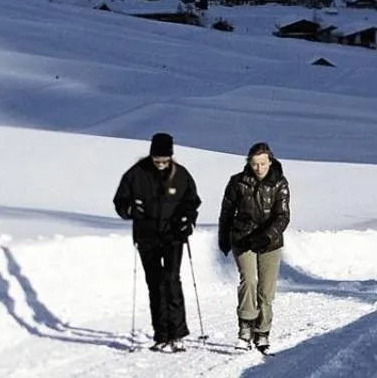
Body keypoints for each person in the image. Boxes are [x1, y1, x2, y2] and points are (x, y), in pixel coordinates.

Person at [113, 132, 200, 351]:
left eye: (164, 160)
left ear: (171, 156)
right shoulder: (136, 174)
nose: (161, 164)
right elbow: (120, 202)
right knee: (154, 283)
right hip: (147, 236)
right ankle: (161, 335)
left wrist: (187, 220)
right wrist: (131, 209)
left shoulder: (181, 175)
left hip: (173, 236)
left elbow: (192, 201)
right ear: (151, 156)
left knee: (171, 280)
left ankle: (178, 333)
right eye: (157, 160)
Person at [218, 141, 290, 353]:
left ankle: (262, 332)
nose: (259, 168)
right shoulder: (237, 182)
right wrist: (224, 237)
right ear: (248, 162)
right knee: (248, 280)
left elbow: (283, 216)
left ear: (270, 161)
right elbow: (227, 212)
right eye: (255, 163)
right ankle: (245, 329)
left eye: (263, 163)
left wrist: (266, 236)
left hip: (270, 242)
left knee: (266, 290)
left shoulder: (280, 183)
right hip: (242, 237)